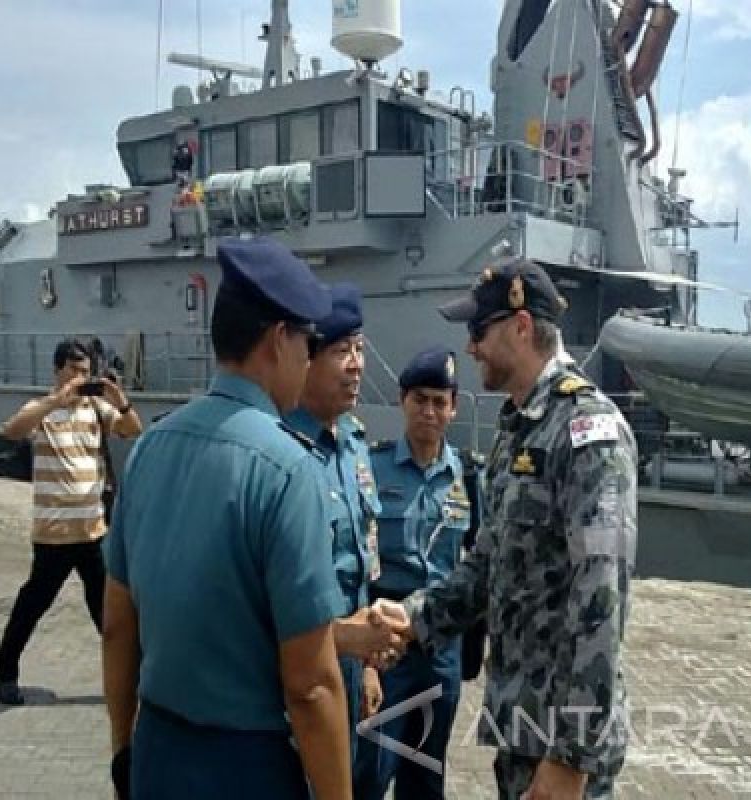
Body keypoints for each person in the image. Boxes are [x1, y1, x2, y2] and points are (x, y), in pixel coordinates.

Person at [101, 238, 399, 800]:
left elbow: (118, 625)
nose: (310, 358)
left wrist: (125, 751)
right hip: (248, 766)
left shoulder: (149, 448)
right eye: (308, 343)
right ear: (276, 340)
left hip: (158, 752)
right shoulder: (289, 469)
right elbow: (310, 686)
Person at [373, 258, 639, 800]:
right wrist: (410, 617)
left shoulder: (588, 433)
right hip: (522, 729)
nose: (469, 347)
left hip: (561, 747)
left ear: (520, 328)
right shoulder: (517, 431)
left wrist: (572, 756)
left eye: (479, 331)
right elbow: (488, 565)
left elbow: (600, 602)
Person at [353, 346, 483, 800]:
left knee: (426, 778)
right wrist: (365, 659)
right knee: (369, 772)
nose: (429, 411)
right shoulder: (371, 466)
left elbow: (479, 560)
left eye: (439, 401)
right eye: (420, 399)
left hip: (440, 650)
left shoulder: (468, 477)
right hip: (386, 644)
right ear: (402, 401)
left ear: (454, 408)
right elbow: (359, 569)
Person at [0, 339, 142, 706]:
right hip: (53, 536)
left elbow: (133, 429)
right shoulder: (42, 410)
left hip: (91, 531)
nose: (80, 378)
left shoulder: (96, 410)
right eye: (74, 371)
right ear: (58, 371)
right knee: (32, 605)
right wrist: (55, 401)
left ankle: (130, 679)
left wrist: (118, 399)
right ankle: (5, 674)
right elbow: (13, 430)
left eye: (86, 372)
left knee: (108, 614)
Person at [284, 283, 388, 761]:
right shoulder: (281, 451)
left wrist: (367, 665)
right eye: (341, 351)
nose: (357, 364)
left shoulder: (353, 441)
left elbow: (363, 562)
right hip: (298, 666)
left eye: (360, 349)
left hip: (348, 662)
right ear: (306, 359)